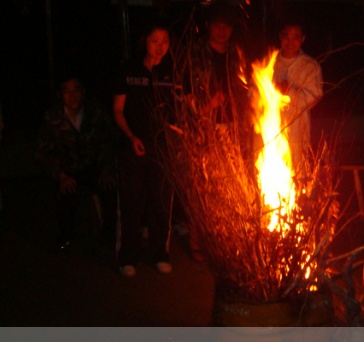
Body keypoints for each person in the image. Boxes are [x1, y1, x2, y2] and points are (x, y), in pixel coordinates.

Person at [182, 1, 249, 265]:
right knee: (204, 185)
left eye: (227, 26)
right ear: (208, 25)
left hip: (233, 127)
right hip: (204, 128)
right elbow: (185, 90)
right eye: (217, 25)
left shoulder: (236, 54)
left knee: (231, 185)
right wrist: (205, 107)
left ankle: (225, 242)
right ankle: (197, 242)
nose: (222, 30)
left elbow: (246, 87)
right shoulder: (195, 52)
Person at [113, 23, 175, 277]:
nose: (160, 47)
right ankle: (127, 256)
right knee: (131, 201)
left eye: (165, 41)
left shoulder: (172, 70)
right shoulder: (128, 69)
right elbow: (117, 110)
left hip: (163, 148)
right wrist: (130, 136)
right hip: (133, 145)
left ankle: (160, 253)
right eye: (154, 41)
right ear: (144, 41)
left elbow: (184, 104)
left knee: (160, 202)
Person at [35, 76, 117, 253]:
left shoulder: (95, 112)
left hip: (93, 166)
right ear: (60, 94)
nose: (72, 96)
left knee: (110, 188)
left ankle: (110, 234)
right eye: (66, 91)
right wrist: (60, 175)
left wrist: (106, 168)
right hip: (67, 170)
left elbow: (109, 141)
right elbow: (41, 153)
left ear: (83, 92)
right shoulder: (52, 117)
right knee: (65, 194)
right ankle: (66, 237)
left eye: (76, 90)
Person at [272, 19, 323, 169]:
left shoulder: (310, 66)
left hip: (297, 130)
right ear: (280, 37)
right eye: (286, 36)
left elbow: (314, 97)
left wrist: (290, 92)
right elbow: (254, 92)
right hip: (270, 130)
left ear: (302, 39)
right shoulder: (269, 63)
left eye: (296, 37)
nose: (290, 41)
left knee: (297, 174)